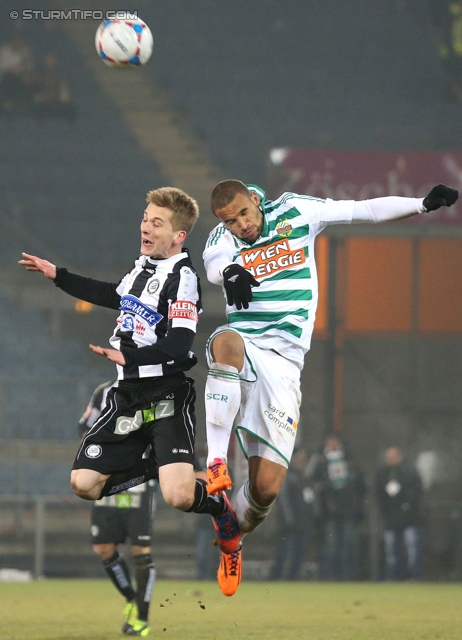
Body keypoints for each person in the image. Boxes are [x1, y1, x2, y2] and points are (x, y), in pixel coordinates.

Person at [201, 179, 458, 596]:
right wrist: (229, 269)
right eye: (230, 222)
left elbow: (364, 208)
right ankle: (216, 462)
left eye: (243, 215)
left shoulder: (297, 212)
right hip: (248, 344)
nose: (240, 226)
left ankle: (232, 536)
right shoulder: (223, 237)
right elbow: (215, 262)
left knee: (265, 491)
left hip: (285, 364)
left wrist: (422, 205)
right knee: (223, 341)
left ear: (254, 199)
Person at [18, 186, 239, 611]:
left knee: (178, 497)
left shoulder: (183, 280)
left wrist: (128, 357)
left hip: (166, 395)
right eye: (145, 219)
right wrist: (58, 275)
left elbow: (178, 348)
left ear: (178, 236)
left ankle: (222, 513)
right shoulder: (142, 269)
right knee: (83, 484)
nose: (145, 227)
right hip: (127, 396)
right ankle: (158, 464)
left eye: (157, 222)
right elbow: (111, 295)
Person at [78, 379, 156, 637]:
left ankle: (142, 618)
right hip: (108, 483)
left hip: (140, 485)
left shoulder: (156, 391)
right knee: (103, 548)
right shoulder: (104, 391)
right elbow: (85, 429)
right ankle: (132, 599)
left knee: (141, 551)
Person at [310, 434, 366, 580]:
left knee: (348, 545)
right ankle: (328, 575)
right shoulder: (320, 461)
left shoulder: (350, 461)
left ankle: (347, 575)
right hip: (329, 512)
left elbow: (360, 486)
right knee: (331, 545)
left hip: (348, 511)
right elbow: (314, 482)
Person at [375, 446, 424, 580]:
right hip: (391, 519)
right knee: (391, 549)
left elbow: (416, 493)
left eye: (393, 456)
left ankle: (414, 576)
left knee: (412, 547)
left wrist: (407, 507)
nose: (390, 459)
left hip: (409, 519)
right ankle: (394, 575)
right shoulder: (383, 473)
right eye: (388, 457)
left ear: (400, 456)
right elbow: (379, 495)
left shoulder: (409, 472)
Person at [269, 447, 314, 581]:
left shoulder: (302, 476)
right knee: (286, 550)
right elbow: (283, 500)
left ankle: (292, 577)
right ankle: (278, 576)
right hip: (291, 523)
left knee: (299, 551)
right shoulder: (287, 476)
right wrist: (289, 519)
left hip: (302, 522)